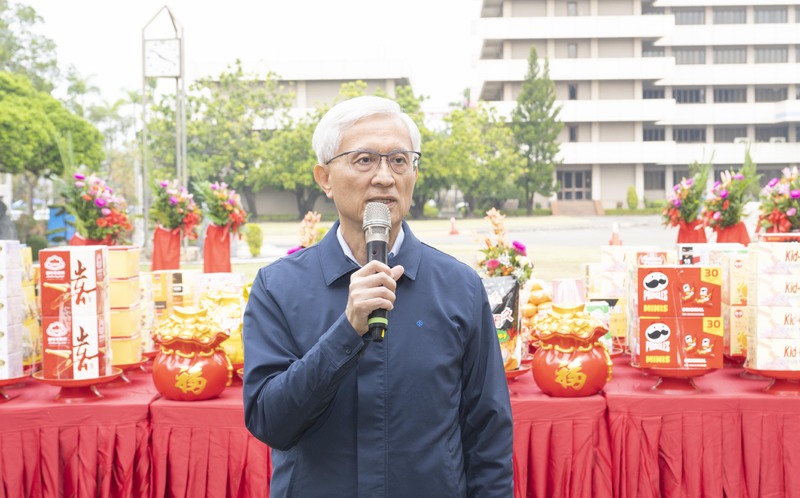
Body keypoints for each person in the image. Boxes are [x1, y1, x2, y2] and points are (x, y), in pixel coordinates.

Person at [242, 96, 513, 497]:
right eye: (365, 159)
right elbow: (270, 422)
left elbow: (487, 435)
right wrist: (346, 332)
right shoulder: (278, 288)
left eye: (400, 160)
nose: (385, 176)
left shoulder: (459, 287)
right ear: (324, 177)